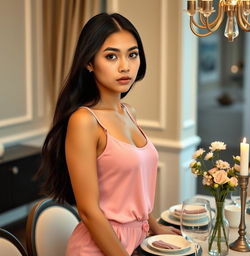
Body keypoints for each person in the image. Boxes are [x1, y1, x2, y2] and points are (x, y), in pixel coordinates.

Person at [38, 12, 180, 256]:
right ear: (89, 62)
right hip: (100, 248)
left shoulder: (129, 112)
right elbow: (89, 212)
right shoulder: (84, 121)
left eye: (132, 54)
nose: (125, 66)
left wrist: (157, 228)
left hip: (138, 242)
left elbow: (134, 193)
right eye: (111, 56)